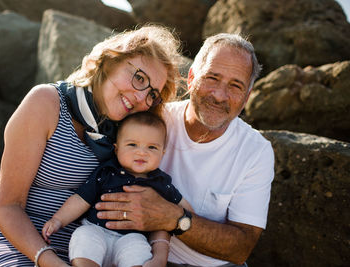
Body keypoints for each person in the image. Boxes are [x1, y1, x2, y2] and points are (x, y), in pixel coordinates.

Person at [0, 25, 183, 267]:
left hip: (92, 255)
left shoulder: (131, 138)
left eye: (152, 94)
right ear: (110, 61)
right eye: (139, 78)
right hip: (21, 250)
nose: (140, 98)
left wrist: (159, 256)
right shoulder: (46, 103)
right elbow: (8, 207)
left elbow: (150, 199)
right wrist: (50, 261)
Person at [95, 33, 275, 267]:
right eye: (212, 78)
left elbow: (241, 248)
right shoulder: (151, 121)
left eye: (235, 85)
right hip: (135, 254)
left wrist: (173, 218)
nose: (219, 95)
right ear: (191, 78)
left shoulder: (256, 151)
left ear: (247, 97)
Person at [42, 112, 192, 267]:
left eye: (152, 147)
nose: (142, 152)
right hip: (97, 229)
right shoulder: (107, 172)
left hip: (132, 237)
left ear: (162, 153)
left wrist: (191, 217)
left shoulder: (161, 183)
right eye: (132, 144)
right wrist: (58, 220)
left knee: (139, 251)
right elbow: (81, 199)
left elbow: (183, 207)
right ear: (116, 149)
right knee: (83, 236)